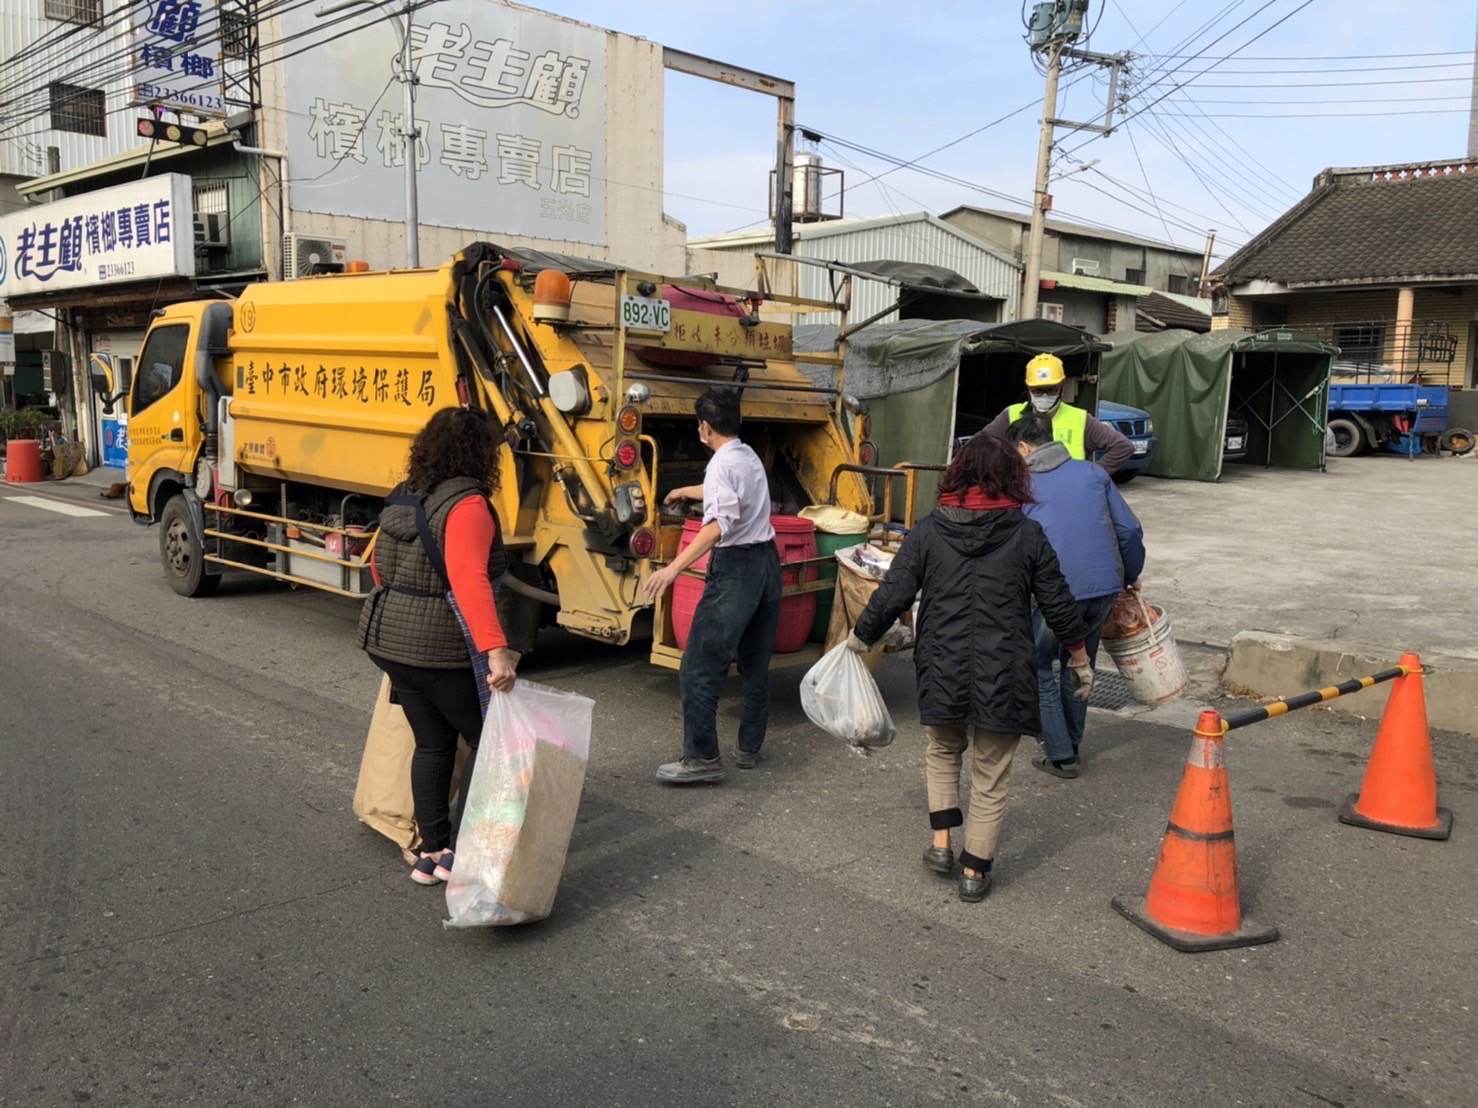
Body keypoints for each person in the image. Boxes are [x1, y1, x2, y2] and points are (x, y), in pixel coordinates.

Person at [849, 433, 1093, 902]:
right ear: (1012, 479)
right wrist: (1079, 657)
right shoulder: (1026, 533)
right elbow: (1058, 602)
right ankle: (974, 873)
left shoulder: (927, 530)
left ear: (957, 475)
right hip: (1006, 666)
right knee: (991, 769)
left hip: (941, 660)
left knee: (943, 751)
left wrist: (862, 636)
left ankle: (941, 845)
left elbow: (892, 591)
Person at [358, 408, 518, 885]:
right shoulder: (467, 505)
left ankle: (432, 852)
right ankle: (463, 850)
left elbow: (378, 568)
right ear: (481, 454)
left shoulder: (403, 496)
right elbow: (471, 583)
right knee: (488, 741)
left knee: (432, 742)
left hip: (388, 639)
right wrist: (497, 651)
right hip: (437, 648)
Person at [644, 387, 781, 785]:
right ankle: (749, 748)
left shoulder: (721, 465)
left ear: (704, 428)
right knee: (755, 664)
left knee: (699, 665)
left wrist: (673, 568)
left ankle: (702, 759)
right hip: (767, 564)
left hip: (737, 569)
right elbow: (728, 494)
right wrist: (687, 490)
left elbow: (719, 524)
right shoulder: (747, 455)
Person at [1007, 412, 1146, 779]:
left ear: (1023, 448)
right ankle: (1072, 742)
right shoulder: (1094, 473)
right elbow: (1129, 531)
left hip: (1054, 592)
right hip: (1103, 587)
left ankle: (1060, 754)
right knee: (1080, 662)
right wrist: (1130, 575)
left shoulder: (1021, 484)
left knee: (1038, 666)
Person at [978, 352, 1135, 474]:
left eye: (1051, 390)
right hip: (1023, 498)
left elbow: (1123, 446)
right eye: (1038, 391)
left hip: (1066, 497)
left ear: (1061, 388)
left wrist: (1093, 475)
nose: (1045, 396)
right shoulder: (1011, 415)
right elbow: (979, 446)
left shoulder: (1080, 419)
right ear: (1028, 389)